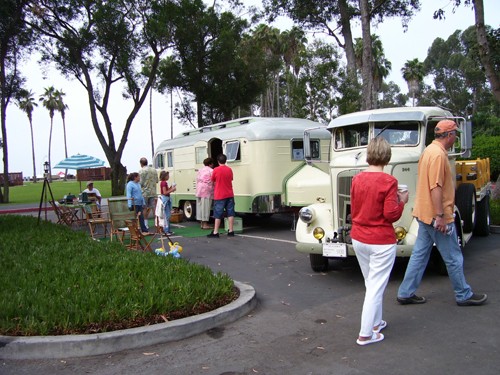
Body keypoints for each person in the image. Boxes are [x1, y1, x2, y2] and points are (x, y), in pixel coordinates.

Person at [397, 120, 487, 307]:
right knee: (453, 256)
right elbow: (435, 187)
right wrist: (440, 216)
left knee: (419, 255)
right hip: (435, 216)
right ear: (449, 135)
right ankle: (463, 294)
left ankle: (405, 293)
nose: (455, 138)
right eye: (454, 134)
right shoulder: (438, 155)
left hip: (423, 214)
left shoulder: (429, 151)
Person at [350, 137, 409, 346]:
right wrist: (402, 201)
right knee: (375, 287)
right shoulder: (389, 181)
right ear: (387, 156)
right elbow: (391, 214)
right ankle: (366, 333)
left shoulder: (356, 179)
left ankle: (376, 322)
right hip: (381, 240)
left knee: (371, 283)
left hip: (359, 237)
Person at [207, 154, 235, 238]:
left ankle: (215, 232)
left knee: (218, 214)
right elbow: (231, 179)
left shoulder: (215, 170)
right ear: (225, 160)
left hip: (219, 195)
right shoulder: (229, 169)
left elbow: (212, 181)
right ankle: (231, 230)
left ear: (218, 161)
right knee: (230, 213)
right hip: (229, 194)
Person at [139, 157, 159, 230]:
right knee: (154, 208)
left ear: (141, 163)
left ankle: (146, 224)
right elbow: (157, 180)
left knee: (144, 208)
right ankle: (157, 223)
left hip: (145, 193)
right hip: (153, 192)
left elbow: (140, 183)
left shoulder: (141, 171)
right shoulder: (154, 170)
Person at [196, 157, 214, 229]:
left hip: (199, 189)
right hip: (206, 191)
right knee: (206, 207)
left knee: (200, 207)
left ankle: (201, 223)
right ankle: (205, 224)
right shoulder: (211, 170)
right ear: (210, 164)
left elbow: (197, 179)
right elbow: (213, 180)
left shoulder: (200, 170)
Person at [159, 170, 176, 236]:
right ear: (165, 176)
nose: (168, 176)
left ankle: (168, 230)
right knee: (167, 215)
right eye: (167, 175)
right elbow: (165, 192)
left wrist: (171, 187)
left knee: (167, 215)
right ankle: (166, 230)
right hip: (165, 199)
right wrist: (172, 189)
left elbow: (165, 191)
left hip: (165, 198)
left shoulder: (163, 183)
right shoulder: (164, 183)